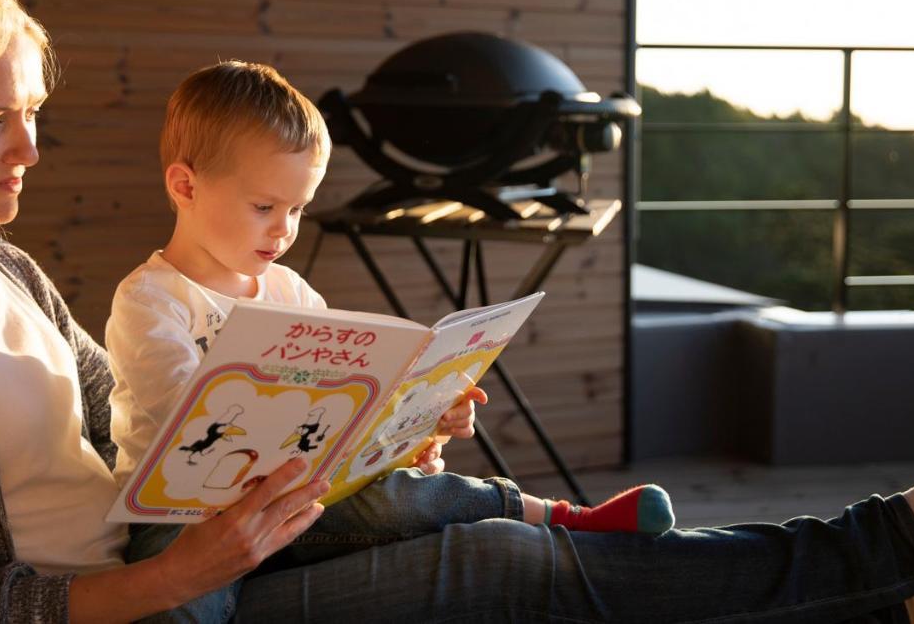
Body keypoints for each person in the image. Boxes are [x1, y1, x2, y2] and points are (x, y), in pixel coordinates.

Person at [0, 0, 914, 623]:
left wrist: (364, 421)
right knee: (516, 573)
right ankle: (888, 553)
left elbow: (145, 435)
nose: (29, 153)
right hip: (146, 605)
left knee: (476, 516)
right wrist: (178, 574)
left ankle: (891, 578)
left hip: (192, 556)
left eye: (32, 117)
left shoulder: (3, 267)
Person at [105, 60, 677, 618]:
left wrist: (416, 424)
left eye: (298, 208)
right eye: (264, 207)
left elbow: (344, 409)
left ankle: (565, 518)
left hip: (293, 501)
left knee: (394, 497)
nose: (284, 228)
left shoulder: (291, 292)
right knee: (175, 605)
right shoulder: (152, 301)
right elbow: (187, 421)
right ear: (185, 186)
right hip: (184, 516)